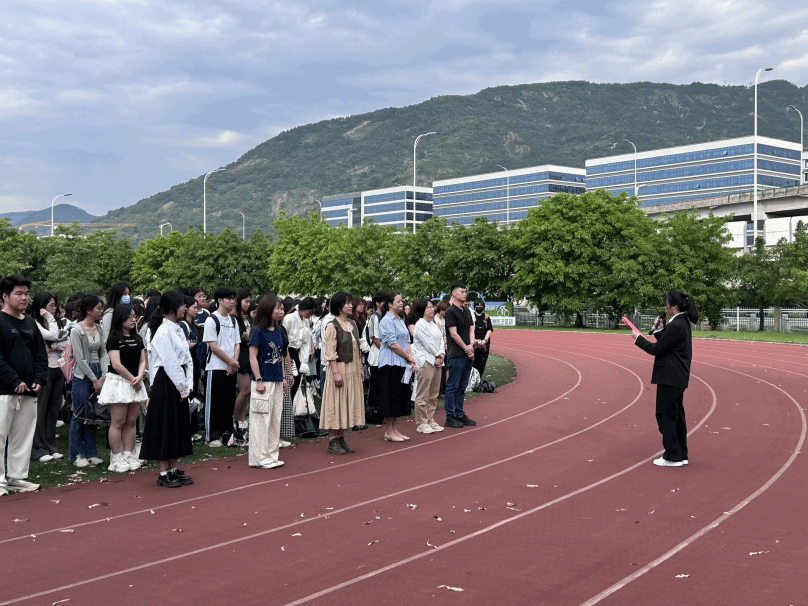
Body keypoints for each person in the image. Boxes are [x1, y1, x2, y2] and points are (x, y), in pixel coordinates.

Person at [631, 290, 697, 468]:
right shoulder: (681, 322)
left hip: (670, 376)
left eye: (667, 304)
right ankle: (680, 454)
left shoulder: (677, 324)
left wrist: (638, 339)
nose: (665, 307)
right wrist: (660, 330)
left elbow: (657, 349)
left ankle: (673, 456)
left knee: (666, 416)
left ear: (674, 306)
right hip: (676, 376)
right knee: (676, 417)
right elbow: (668, 345)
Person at [141, 291, 194, 487]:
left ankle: (173, 467)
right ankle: (163, 472)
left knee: (176, 425)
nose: (185, 308)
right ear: (172, 308)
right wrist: (182, 388)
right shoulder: (163, 331)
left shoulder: (177, 328)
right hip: (167, 381)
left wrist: (188, 385)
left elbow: (186, 359)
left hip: (178, 380)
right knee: (165, 425)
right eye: (182, 305)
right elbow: (170, 362)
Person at [0, 276, 48, 494]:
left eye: (27, 294)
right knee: (0, 435)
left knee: (23, 436)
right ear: (5, 296)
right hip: (4, 390)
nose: (24, 298)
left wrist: (39, 379)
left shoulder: (30, 323)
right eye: (19, 294)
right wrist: (14, 380)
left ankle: (17, 477)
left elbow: (40, 354)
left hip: (29, 389)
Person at [99, 304, 148, 473]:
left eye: (134, 316)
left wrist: (139, 376)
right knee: (118, 421)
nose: (133, 320)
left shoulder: (138, 338)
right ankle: (116, 457)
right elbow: (116, 364)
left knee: (131, 421)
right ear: (120, 319)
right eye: (129, 317)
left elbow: (143, 360)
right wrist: (132, 379)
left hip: (135, 382)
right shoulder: (114, 338)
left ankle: (128, 453)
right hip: (119, 382)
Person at [248, 295, 291, 469]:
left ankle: (272, 455)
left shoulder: (280, 331)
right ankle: (259, 457)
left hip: (277, 379)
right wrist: (258, 379)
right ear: (268, 310)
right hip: (263, 381)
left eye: (282, 308)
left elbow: (281, 357)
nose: (281, 311)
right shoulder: (258, 331)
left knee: (275, 419)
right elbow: (252, 357)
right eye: (278, 308)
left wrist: (283, 377)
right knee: (261, 420)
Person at [321, 292, 365, 455]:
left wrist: (360, 368)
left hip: (352, 369)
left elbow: (357, 349)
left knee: (346, 403)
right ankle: (333, 440)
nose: (351, 305)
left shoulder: (352, 324)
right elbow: (330, 352)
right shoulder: (332, 326)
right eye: (347, 303)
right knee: (336, 404)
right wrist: (336, 373)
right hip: (340, 368)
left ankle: (341, 438)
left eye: (350, 302)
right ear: (339, 306)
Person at [69, 295, 109, 467]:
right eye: (98, 308)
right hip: (82, 376)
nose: (101, 311)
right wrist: (94, 379)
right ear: (88, 310)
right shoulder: (76, 330)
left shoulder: (100, 328)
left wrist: (103, 376)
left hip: (99, 372)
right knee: (79, 415)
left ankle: (91, 453)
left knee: (94, 416)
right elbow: (80, 358)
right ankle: (77, 454)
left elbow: (104, 353)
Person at [30, 292, 67, 462]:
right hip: (43, 370)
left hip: (58, 368)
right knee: (41, 409)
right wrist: (50, 319)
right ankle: (38, 448)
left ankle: (51, 446)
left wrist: (52, 347)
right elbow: (53, 336)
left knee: (53, 409)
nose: (55, 308)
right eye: (51, 305)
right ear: (42, 307)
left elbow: (65, 343)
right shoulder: (35, 323)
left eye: (55, 305)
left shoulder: (55, 323)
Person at [377, 292, 416, 442]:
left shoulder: (400, 320)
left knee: (398, 397)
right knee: (390, 397)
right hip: (390, 363)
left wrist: (409, 358)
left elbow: (407, 341)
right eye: (398, 301)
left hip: (402, 363)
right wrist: (408, 357)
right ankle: (388, 430)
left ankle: (394, 428)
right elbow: (392, 344)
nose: (401, 303)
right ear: (390, 304)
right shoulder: (386, 321)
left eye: (402, 300)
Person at [203, 286, 239, 447]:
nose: (232, 302)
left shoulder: (233, 320)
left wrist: (234, 363)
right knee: (215, 403)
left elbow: (237, 343)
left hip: (231, 367)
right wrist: (231, 362)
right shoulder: (211, 320)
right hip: (215, 367)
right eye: (229, 299)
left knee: (228, 402)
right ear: (219, 300)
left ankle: (226, 434)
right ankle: (212, 436)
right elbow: (214, 346)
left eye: (233, 298)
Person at [443, 283, 476, 428]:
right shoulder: (451, 312)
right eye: (462, 292)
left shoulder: (467, 311)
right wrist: (466, 348)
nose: (464, 294)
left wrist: (471, 346)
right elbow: (453, 334)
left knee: (462, 386)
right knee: (453, 386)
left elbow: (471, 330)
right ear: (454, 294)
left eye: (465, 292)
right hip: (456, 355)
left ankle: (459, 413)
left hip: (467, 354)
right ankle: (450, 416)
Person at [412, 299, 445, 434]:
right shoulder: (420, 325)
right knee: (423, 394)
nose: (432, 309)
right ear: (422, 310)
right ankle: (422, 422)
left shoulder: (434, 324)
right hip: (425, 361)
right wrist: (438, 354)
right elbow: (428, 343)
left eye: (432, 307)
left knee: (433, 394)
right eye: (429, 307)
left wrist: (441, 354)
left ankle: (430, 419)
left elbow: (440, 340)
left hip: (437, 362)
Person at [283, 296, 315, 405]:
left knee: (296, 383)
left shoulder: (306, 322)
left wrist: (304, 362)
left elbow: (306, 343)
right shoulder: (289, 318)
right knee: (288, 381)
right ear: (304, 308)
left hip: (298, 353)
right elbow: (284, 340)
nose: (310, 315)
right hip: (287, 352)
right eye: (309, 312)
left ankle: (292, 408)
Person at [231, 289, 253, 446]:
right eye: (246, 301)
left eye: (249, 302)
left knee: (247, 392)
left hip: (249, 353)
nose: (248, 304)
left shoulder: (247, 317)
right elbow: (239, 337)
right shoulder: (234, 318)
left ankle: (241, 420)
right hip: (241, 356)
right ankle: (235, 419)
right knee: (244, 390)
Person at [472, 300, 493, 376]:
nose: (479, 307)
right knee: (473, 362)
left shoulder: (486, 317)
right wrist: (474, 340)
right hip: (474, 342)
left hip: (484, 343)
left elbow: (489, 329)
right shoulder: (472, 316)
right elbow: (470, 329)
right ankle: (472, 379)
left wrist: (485, 340)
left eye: (481, 305)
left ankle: (480, 378)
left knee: (483, 361)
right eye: (477, 305)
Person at [434, 301, 449, 395]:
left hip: (443, 345)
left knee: (444, 368)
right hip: (437, 345)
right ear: (440, 309)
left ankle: (443, 387)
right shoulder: (435, 319)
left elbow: (444, 334)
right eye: (445, 310)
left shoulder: (443, 320)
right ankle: (438, 389)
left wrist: (445, 344)